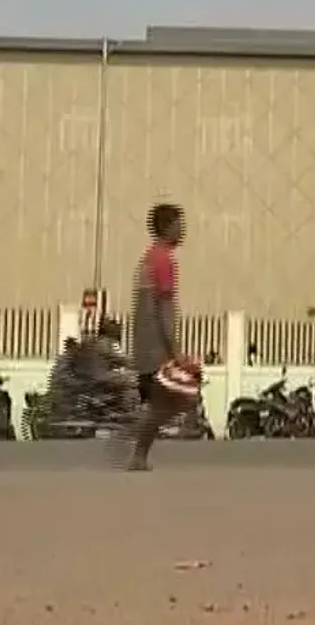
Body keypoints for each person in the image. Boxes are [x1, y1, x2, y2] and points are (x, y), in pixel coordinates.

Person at [123, 202, 189, 471]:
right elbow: (162, 308)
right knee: (165, 400)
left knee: (159, 400)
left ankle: (139, 454)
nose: (183, 229)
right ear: (167, 227)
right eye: (179, 224)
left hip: (145, 340)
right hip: (155, 343)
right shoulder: (163, 261)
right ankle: (137, 455)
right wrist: (173, 349)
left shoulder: (150, 257)